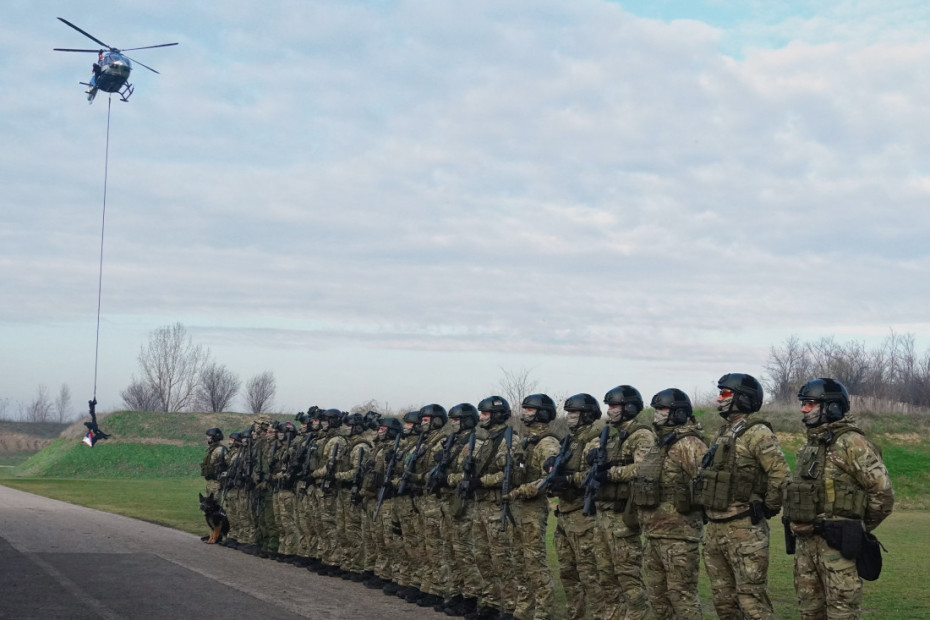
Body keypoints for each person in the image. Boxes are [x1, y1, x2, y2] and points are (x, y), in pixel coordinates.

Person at [784, 378, 894, 620]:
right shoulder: (811, 445)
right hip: (806, 547)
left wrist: (855, 528)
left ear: (831, 407)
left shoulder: (852, 443)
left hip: (837, 548)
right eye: (803, 403)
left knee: (842, 614)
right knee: (809, 612)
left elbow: (883, 494)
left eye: (810, 403)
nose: (803, 409)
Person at [697, 373, 790, 620]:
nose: (719, 398)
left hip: (744, 529)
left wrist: (767, 507)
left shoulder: (758, 433)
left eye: (725, 393)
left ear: (743, 398)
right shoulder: (722, 433)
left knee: (752, 603)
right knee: (724, 603)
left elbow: (780, 476)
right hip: (715, 529)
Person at [632, 388, 707, 620]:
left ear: (678, 413)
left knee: (682, 597)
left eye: (663, 409)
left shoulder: (689, 444)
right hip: (653, 533)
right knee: (658, 599)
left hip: (679, 537)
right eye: (656, 409)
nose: (657, 413)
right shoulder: (661, 443)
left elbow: (706, 484)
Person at [545, 393, 614, 620]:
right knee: (567, 573)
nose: (570, 416)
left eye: (574, 412)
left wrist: (568, 480)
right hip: (564, 513)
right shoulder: (571, 440)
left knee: (589, 573)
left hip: (583, 516)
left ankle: (599, 615)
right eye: (569, 412)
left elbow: (594, 474)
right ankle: (575, 614)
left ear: (586, 414)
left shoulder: (595, 439)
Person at [597, 385, 655, 620]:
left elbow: (643, 469)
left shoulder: (641, 435)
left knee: (627, 576)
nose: (610, 410)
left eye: (615, 406)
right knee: (605, 575)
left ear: (629, 407)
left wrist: (610, 474)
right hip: (603, 514)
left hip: (623, 515)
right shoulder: (613, 436)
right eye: (609, 406)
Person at [505, 393, 561, 620]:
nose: (525, 413)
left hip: (532, 509)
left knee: (534, 562)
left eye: (530, 409)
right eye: (525, 409)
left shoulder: (547, 443)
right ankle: (523, 609)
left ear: (542, 413)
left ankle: (543, 612)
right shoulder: (527, 441)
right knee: (519, 561)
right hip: (518, 509)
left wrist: (520, 491)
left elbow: (548, 479)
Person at [201, 427, 227, 499]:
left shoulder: (219, 450)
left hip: (217, 482)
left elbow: (227, 463)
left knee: (215, 502)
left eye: (209, 436)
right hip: (210, 481)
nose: (207, 438)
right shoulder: (211, 449)